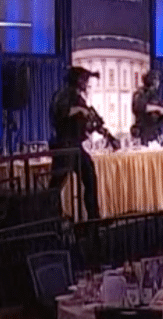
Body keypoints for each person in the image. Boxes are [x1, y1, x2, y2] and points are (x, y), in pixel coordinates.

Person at [50, 67, 105, 219]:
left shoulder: (78, 97)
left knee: (89, 177)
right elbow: (62, 112)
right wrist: (81, 111)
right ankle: (52, 218)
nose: (86, 83)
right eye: (83, 79)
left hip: (76, 146)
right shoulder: (64, 95)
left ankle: (94, 218)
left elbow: (86, 122)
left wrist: (97, 127)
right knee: (56, 185)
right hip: (64, 146)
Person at [131, 70, 163, 144]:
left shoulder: (154, 94)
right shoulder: (140, 93)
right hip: (144, 132)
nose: (158, 83)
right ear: (152, 81)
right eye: (156, 80)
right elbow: (139, 107)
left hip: (155, 132)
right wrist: (157, 108)